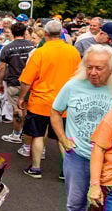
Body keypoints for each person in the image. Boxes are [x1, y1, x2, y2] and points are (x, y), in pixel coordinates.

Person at [51, 45, 112, 211]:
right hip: (78, 156)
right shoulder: (73, 85)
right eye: (89, 67)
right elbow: (55, 111)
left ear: (111, 68)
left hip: (109, 162)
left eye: (99, 68)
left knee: (105, 208)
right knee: (75, 202)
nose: (93, 73)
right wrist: (63, 139)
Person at [17, 20, 81, 178]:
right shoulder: (73, 52)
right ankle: (66, 171)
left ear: (45, 34)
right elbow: (79, 77)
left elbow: (26, 80)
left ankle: (35, 168)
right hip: (64, 103)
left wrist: (21, 98)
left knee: (38, 135)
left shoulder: (40, 52)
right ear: (61, 33)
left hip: (40, 102)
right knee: (62, 137)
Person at [0, 21, 36, 144]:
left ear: (12, 32)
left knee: (17, 109)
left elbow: (2, 68)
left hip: (14, 82)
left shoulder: (7, 48)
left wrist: (0, 83)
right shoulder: (32, 46)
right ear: (25, 32)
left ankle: (16, 134)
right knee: (27, 109)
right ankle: (26, 134)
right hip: (30, 82)